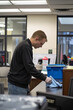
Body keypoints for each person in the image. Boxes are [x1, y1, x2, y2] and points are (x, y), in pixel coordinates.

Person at [8, 30, 52, 95]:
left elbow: (26, 66)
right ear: (36, 39)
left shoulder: (27, 45)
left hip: (21, 85)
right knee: (19, 105)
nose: (41, 46)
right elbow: (30, 67)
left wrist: (26, 83)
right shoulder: (25, 46)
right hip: (17, 85)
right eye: (41, 43)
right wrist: (44, 78)